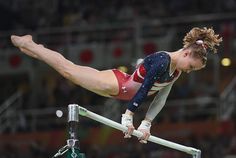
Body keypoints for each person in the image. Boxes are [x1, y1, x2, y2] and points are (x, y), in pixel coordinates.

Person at [11, 27, 222, 143]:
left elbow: (161, 98)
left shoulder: (175, 70)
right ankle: (28, 43)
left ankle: (33, 47)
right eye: (191, 67)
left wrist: (147, 123)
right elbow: (146, 88)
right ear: (186, 53)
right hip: (116, 85)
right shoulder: (162, 60)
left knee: (70, 68)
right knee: (68, 70)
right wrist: (128, 116)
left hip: (123, 88)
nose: (189, 71)